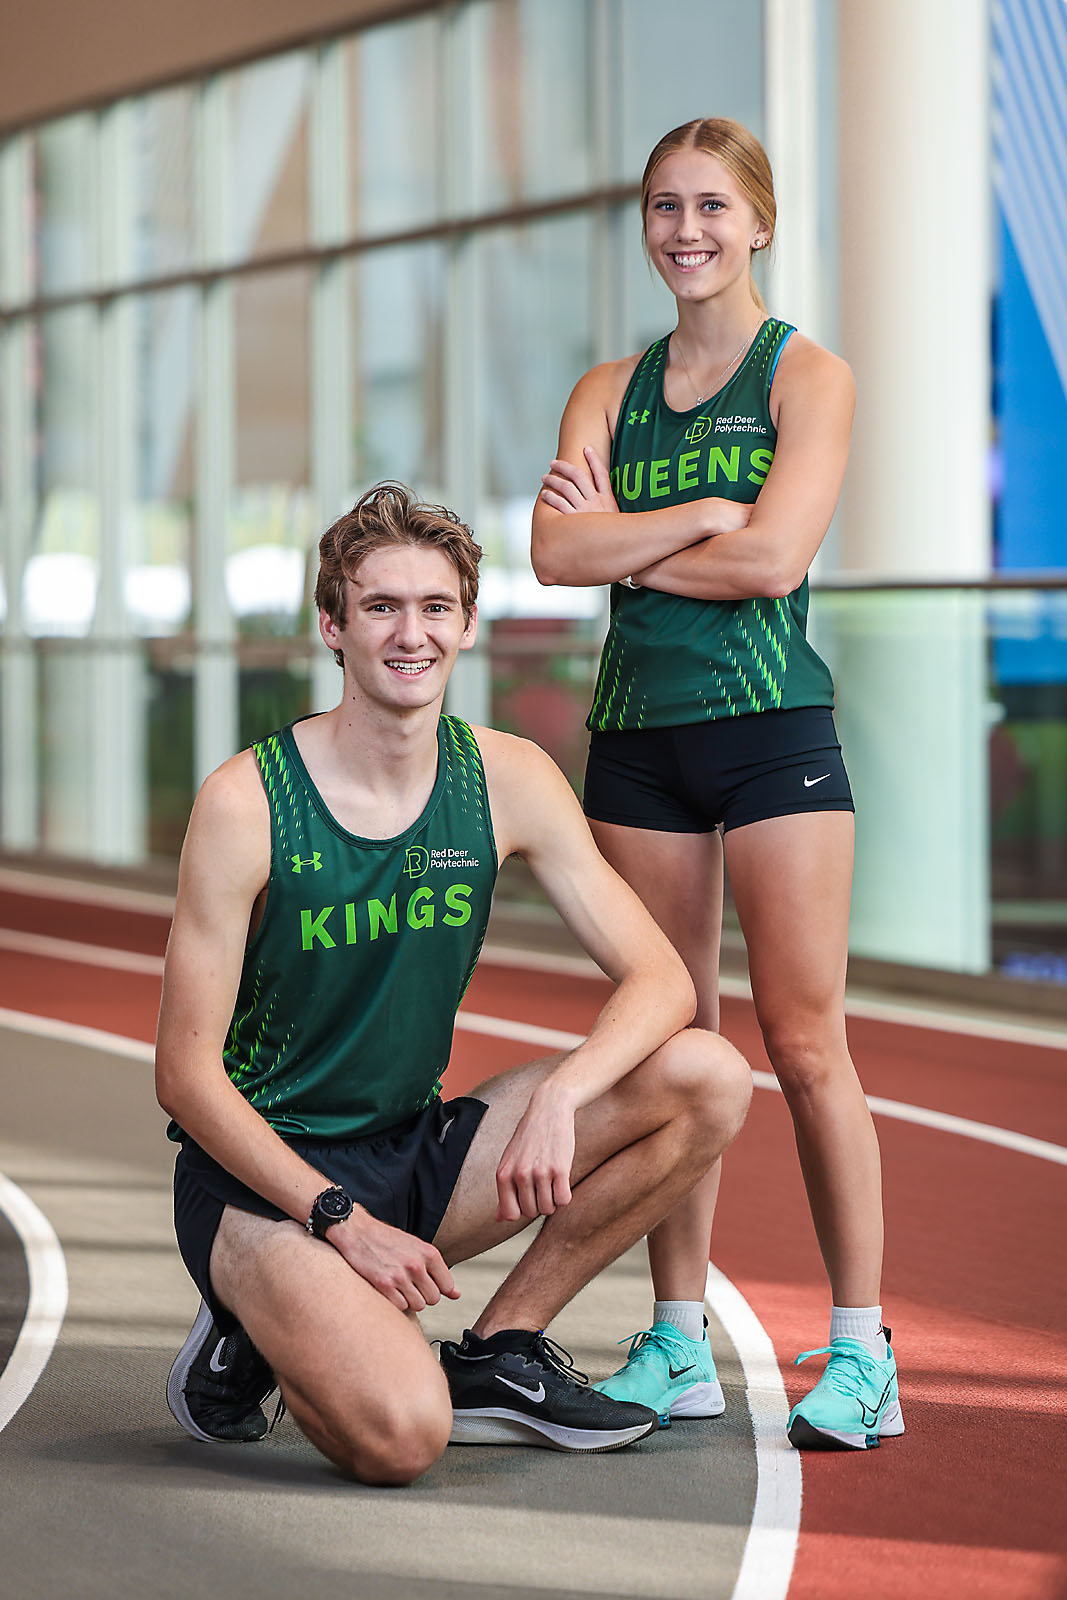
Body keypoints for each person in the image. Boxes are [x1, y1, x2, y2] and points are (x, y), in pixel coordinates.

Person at [156, 481, 752, 1484]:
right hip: (260, 1184)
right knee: (400, 1437)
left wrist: (563, 1091)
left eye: (434, 607)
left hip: (412, 1151)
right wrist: (336, 1221)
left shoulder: (507, 778)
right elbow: (184, 1076)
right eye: (379, 606)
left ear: (468, 626)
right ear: (331, 625)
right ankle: (259, 1320)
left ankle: (499, 1348)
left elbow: (661, 976)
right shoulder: (246, 802)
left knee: (706, 1076)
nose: (409, 634)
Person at [531, 118, 902, 1452]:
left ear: (756, 222)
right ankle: (675, 1340)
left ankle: (861, 1350)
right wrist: (693, 520)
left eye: (708, 207)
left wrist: (621, 538)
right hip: (635, 739)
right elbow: (548, 558)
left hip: (768, 732)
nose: (683, 231)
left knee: (804, 1047)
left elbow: (773, 562)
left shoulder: (808, 378)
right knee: (679, 1049)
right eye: (661, 208)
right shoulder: (603, 386)